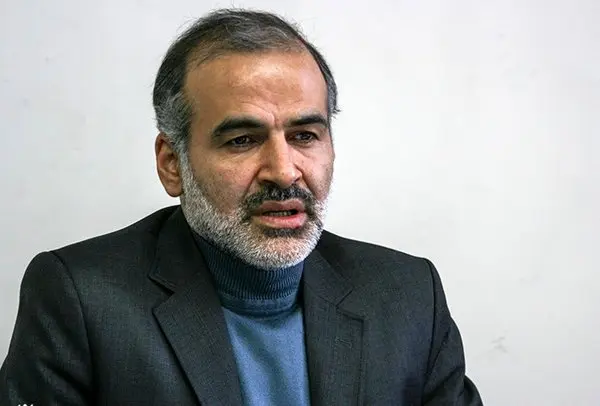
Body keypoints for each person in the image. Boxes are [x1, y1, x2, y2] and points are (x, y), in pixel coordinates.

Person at [0, 8, 483, 406]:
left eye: (304, 136)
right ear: (172, 163)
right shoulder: (81, 298)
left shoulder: (409, 295)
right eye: (242, 140)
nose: (284, 171)